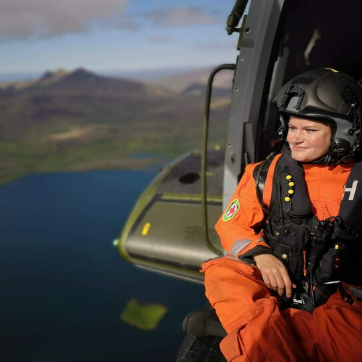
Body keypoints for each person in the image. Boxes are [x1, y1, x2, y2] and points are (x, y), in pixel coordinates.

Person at [201, 68, 362, 361]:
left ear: (344, 133)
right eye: (291, 127)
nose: (295, 139)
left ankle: (275, 337)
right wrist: (260, 254)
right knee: (223, 271)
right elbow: (231, 225)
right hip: (279, 285)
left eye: (310, 130)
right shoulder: (266, 173)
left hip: (345, 301)